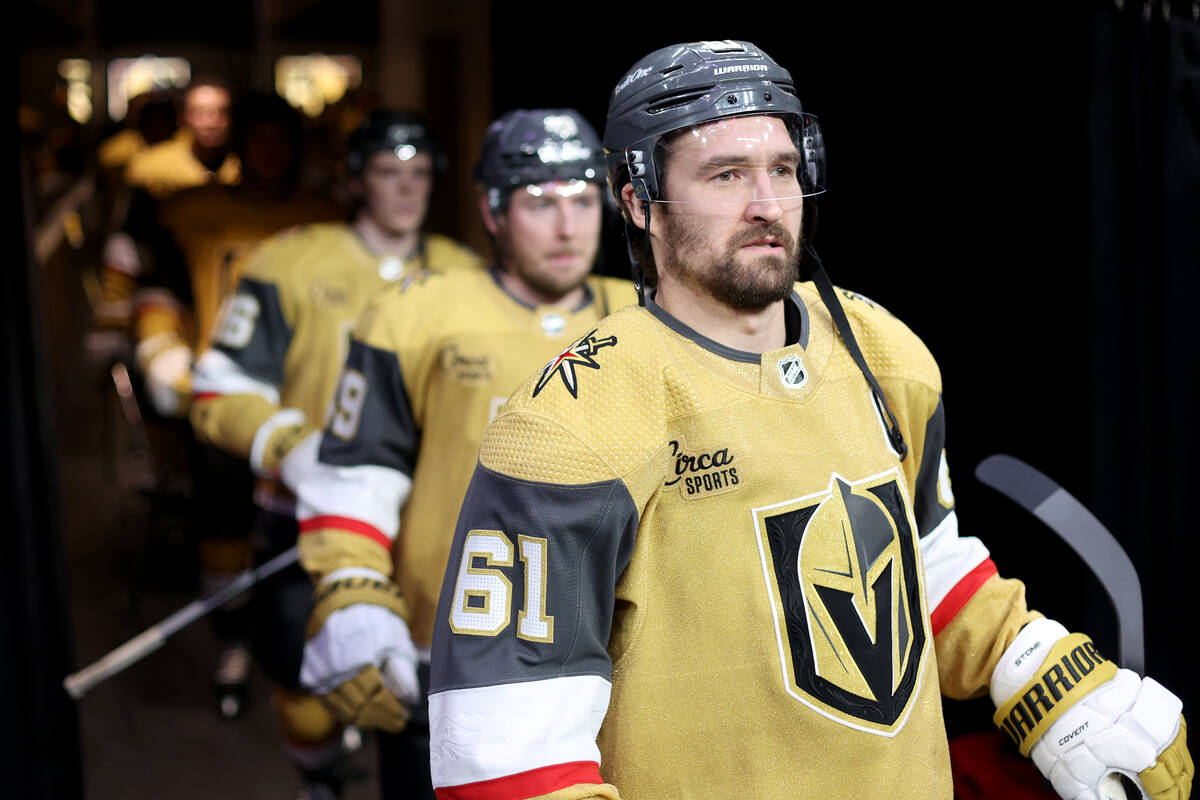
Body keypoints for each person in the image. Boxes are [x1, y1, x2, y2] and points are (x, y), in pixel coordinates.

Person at [424, 41, 1194, 800]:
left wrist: (1049, 680)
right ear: (636, 199)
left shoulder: (884, 354)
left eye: (783, 170)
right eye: (725, 175)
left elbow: (921, 561)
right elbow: (503, 755)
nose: (765, 203)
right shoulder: (570, 422)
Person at [287, 108, 637, 799]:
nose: (569, 226)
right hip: (444, 653)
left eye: (581, 198)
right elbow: (359, 471)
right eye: (539, 202)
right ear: (491, 209)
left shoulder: (643, 317)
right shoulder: (414, 311)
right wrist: (353, 590)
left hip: (608, 651)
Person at [187, 108, 481, 797]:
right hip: (309, 517)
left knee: (429, 703)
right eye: (387, 172)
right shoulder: (291, 261)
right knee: (308, 696)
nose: (405, 190)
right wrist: (294, 449)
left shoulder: (468, 272)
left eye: (419, 174)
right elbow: (216, 389)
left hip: (429, 527)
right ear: (355, 181)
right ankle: (320, 777)